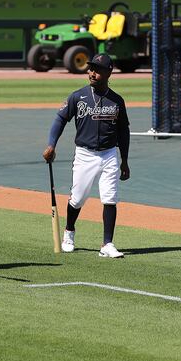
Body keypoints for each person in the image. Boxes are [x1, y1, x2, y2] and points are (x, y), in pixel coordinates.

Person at [43, 53, 130, 258]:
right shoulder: (78, 96)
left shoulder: (117, 100)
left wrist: (124, 160)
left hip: (109, 154)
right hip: (85, 154)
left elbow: (123, 131)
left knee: (110, 197)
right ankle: (69, 232)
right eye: (91, 69)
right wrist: (51, 145)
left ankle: (107, 244)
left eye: (97, 69)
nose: (92, 73)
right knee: (78, 198)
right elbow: (60, 119)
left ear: (109, 72)